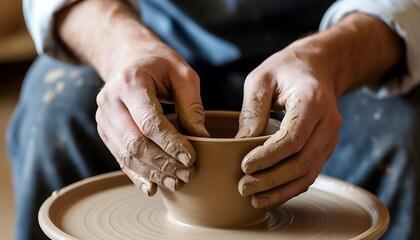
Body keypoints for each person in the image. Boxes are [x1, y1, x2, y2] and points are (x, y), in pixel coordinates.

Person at [7, 0, 420, 239]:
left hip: (331, 34)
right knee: (54, 112)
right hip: (146, 31)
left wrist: (330, 60)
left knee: (401, 135)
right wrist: (122, 49)